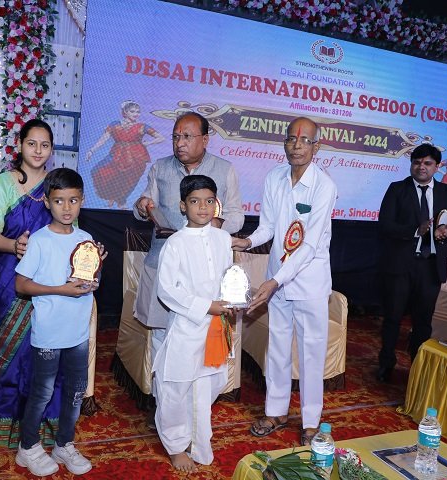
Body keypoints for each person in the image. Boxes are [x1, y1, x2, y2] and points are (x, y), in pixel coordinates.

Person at [132, 111, 244, 427]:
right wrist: (142, 206)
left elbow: (237, 215)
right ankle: (164, 411)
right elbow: (145, 207)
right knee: (162, 340)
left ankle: (195, 410)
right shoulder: (160, 168)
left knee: (200, 342)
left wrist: (210, 226)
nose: (179, 143)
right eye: (175, 137)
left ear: (205, 139)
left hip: (204, 274)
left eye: (187, 136)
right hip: (163, 265)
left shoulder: (224, 170)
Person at [232, 117, 337, 446]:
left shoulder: (324, 186)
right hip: (277, 280)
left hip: (308, 282)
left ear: (317, 146)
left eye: (305, 140)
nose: (296, 145)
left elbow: (309, 245)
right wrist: (246, 242)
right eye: (291, 139)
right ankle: (276, 411)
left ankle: (310, 421)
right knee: (277, 347)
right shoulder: (274, 177)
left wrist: (275, 281)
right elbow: (268, 227)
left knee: (311, 353)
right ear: (284, 142)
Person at [13, 167, 103, 477]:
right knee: (42, 392)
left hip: (78, 332)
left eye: (73, 200)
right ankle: (27, 446)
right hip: (50, 334)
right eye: (59, 201)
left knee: (76, 392)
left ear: (82, 201)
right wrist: (60, 290)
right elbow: (21, 284)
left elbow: (89, 281)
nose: (67, 208)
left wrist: (93, 278)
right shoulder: (40, 240)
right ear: (47, 202)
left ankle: (64, 443)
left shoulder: (86, 239)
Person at [0, 119, 59, 445]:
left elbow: (69, 228)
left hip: (47, 279)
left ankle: (39, 422)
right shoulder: (5, 183)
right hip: (8, 277)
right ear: (20, 145)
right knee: (12, 352)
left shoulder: (56, 185)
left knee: (43, 350)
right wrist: (14, 246)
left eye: (45, 145)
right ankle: (6, 419)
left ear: (51, 150)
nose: (38, 151)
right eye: (32, 144)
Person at [153, 175, 234, 473]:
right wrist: (206, 306)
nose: (203, 207)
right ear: (182, 206)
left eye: (209, 201)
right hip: (187, 326)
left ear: (216, 204)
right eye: (195, 201)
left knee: (209, 384)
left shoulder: (223, 239)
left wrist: (232, 301)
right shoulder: (175, 243)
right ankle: (176, 445)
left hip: (216, 326)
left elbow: (228, 276)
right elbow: (166, 290)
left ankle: (199, 442)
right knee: (177, 385)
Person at [376, 143, 447, 383]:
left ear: (437, 166)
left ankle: (417, 367)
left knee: (423, 321)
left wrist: (446, 231)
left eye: (427, 163)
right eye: (417, 162)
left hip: (430, 266)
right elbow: (385, 225)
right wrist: (416, 230)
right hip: (401, 265)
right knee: (393, 317)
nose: (421, 167)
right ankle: (386, 363)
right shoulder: (397, 189)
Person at [87, 101, 164, 209]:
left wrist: (148, 143)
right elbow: (104, 139)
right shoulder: (115, 125)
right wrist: (92, 150)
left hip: (136, 158)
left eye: (138, 112)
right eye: (132, 111)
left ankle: (121, 201)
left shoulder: (142, 126)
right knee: (98, 171)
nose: (136, 114)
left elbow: (161, 137)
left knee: (128, 181)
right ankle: (111, 196)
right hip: (117, 154)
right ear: (125, 112)